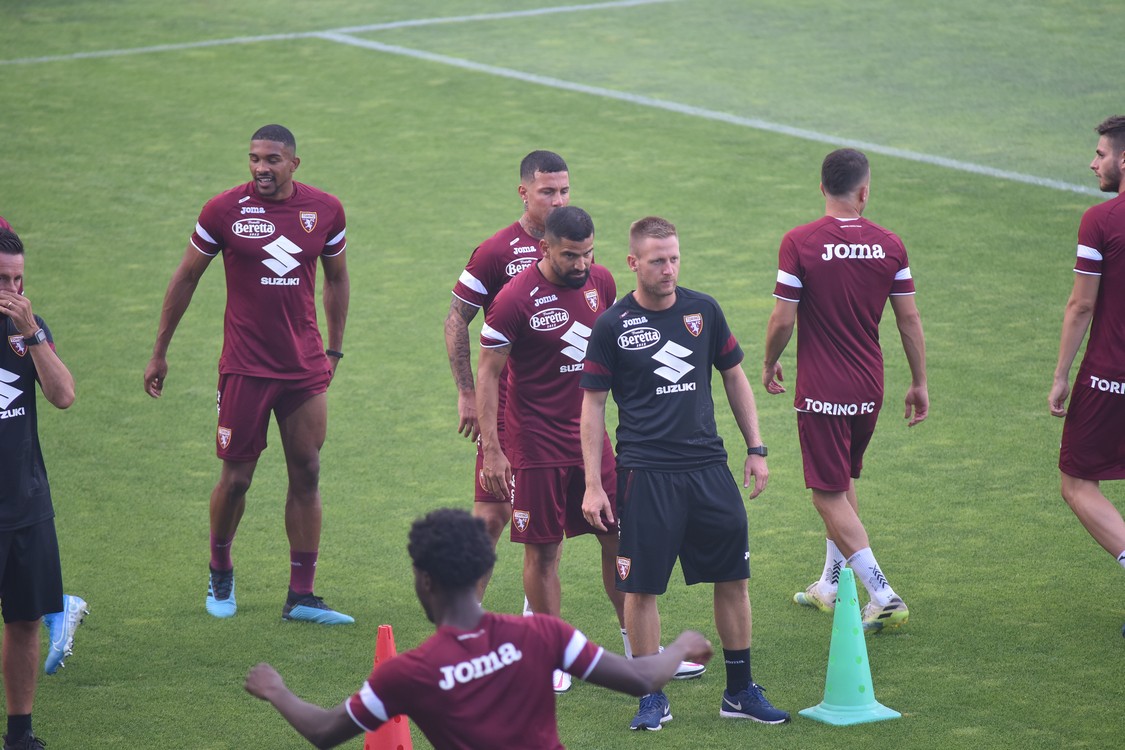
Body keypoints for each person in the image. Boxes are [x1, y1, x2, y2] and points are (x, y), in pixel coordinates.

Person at [245, 507, 714, 750]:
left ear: (425, 580)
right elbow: (639, 678)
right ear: (480, 571)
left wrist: (276, 690)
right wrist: (681, 646)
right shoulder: (543, 635)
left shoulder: (406, 674)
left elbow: (325, 731)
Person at [581, 216, 790, 731]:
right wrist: (593, 483)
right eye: (658, 261)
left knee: (734, 578)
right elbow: (593, 406)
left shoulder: (704, 310)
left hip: (708, 469)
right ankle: (651, 695)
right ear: (633, 263)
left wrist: (756, 448)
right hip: (646, 474)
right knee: (641, 589)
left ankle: (739, 691)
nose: (669, 269)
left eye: (674, 258)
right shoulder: (611, 325)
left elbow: (734, 377)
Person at [143, 125, 353, 625]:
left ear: (294, 164)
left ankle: (301, 595)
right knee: (236, 479)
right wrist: (160, 352)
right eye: (255, 158)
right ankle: (220, 568)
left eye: (272, 159)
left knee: (307, 471)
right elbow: (186, 277)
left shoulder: (325, 210)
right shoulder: (223, 210)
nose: (261, 167)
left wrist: (334, 349)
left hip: (303, 367)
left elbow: (337, 278)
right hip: (244, 368)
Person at [762, 148, 928, 633]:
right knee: (842, 481)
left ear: (822, 188)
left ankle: (883, 593)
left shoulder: (800, 242)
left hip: (822, 389)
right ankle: (830, 585)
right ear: (864, 192)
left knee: (827, 494)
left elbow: (783, 318)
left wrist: (770, 361)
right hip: (869, 385)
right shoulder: (890, 244)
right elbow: (909, 318)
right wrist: (919, 381)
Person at [476, 205, 626, 694]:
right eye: (570, 256)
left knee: (619, 539)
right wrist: (493, 450)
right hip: (536, 445)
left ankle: (639, 648)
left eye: (588, 254)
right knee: (542, 552)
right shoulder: (513, 299)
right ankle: (551, 653)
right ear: (544, 248)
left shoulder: (602, 282)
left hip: (592, 441)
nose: (581, 265)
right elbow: (488, 375)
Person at [443, 150, 571, 591]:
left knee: (550, 524)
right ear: (523, 192)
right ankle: (464, 618)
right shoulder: (497, 251)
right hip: (503, 405)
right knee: (491, 516)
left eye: (564, 191)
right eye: (547, 192)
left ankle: (535, 618)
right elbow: (456, 319)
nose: (559, 201)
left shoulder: (572, 247)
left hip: (558, 410)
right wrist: (466, 392)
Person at [0, 217, 89, 676]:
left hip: (25, 506)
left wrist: (32, 332)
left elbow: (64, 395)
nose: (13, 291)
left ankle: (20, 724)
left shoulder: (27, 331)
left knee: (23, 622)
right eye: (3, 279)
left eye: (19, 280)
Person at [1048, 115, 1125, 637]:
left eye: (1101, 154)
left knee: (1077, 483)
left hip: (1110, 375)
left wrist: (1061, 374)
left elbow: (1081, 305)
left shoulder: (1101, 220)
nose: (1093, 163)